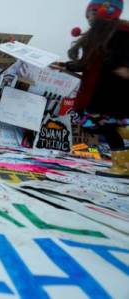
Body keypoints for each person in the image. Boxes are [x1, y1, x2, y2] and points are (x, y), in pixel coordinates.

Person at [52, 0, 129, 178]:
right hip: (97, 91)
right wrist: (65, 66)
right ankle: (123, 165)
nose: (90, 18)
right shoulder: (95, 37)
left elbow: (122, 55)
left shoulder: (122, 32)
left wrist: (124, 66)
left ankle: (123, 167)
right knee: (105, 126)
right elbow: (87, 63)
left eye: (93, 12)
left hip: (113, 91)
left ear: (109, 11)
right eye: (88, 14)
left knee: (109, 126)